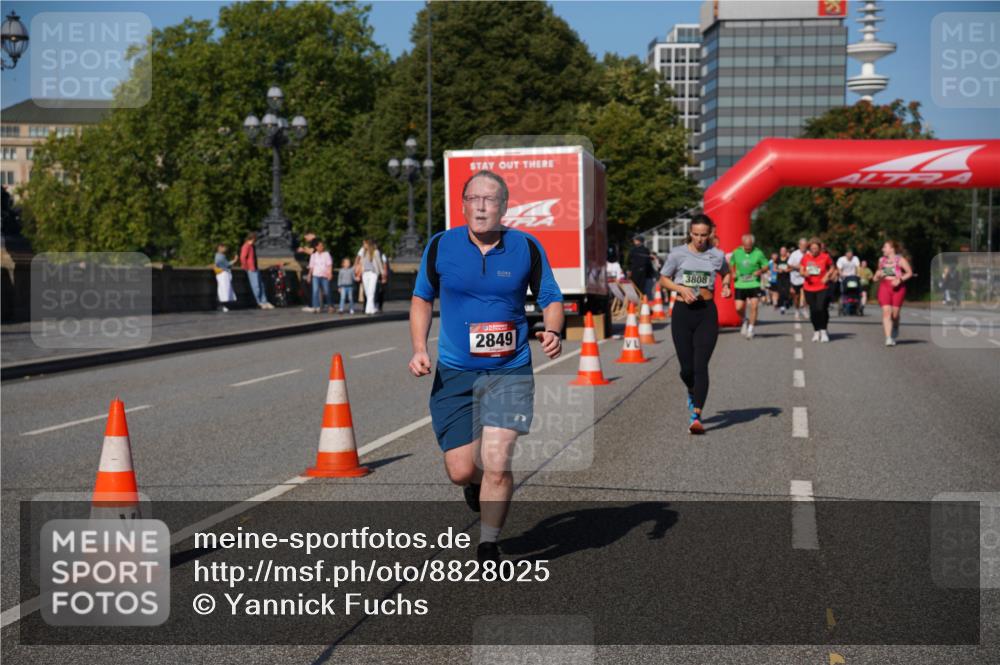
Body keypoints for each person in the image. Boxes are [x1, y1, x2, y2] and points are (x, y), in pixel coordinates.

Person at [409, 170, 563, 563]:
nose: (481, 205)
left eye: (490, 199)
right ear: (462, 205)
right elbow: (422, 299)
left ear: (504, 207)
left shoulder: (525, 247)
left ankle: (489, 543)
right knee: (462, 469)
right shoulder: (441, 245)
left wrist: (555, 330)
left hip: (509, 369)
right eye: (474, 198)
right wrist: (419, 347)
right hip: (456, 371)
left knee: (497, 461)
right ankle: (472, 486)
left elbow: (550, 297)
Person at [658, 214, 731, 434]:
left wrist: (726, 286)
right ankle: (691, 390)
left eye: (704, 235)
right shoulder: (678, 254)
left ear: (710, 234)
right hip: (682, 313)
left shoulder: (716, 255)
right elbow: (663, 278)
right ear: (690, 233)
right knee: (686, 369)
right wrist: (680, 289)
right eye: (696, 234)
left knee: (701, 366)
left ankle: (696, 415)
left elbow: (726, 273)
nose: (700, 239)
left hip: (706, 313)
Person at [873, 240, 913, 346]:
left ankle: (895, 326)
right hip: (885, 287)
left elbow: (909, 273)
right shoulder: (881, 260)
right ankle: (888, 338)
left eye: (885, 247)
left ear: (892, 249)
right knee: (886, 312)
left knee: (895, 315)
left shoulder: (900, 260)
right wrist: (877, 276)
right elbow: (878, 275)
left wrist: (899, 280)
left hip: (898, 289)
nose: (882, 249)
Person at [729, 233, 769, 340]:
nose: (747, 249)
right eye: (745, 247)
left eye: (749, 247)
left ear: (752, 244)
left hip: (754, 283)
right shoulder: (736, 252)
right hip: (740, 283)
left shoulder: (758, 253)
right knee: (738, 307)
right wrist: (733, 272)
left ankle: (751, 329)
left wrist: (760, 271)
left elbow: (766, 266)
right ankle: (744, 320)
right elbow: (731, 262)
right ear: (742, 244)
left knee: (754, 306)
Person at [798, 238, 836, 342]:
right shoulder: (805, 258)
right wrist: (804, 273)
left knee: (821, 308)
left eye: (816, 248)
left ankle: (823, 331)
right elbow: (801, 270)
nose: (814, 250)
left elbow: (832, 267)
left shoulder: (825, 257)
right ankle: (816, 331)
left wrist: (827, 275)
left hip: (822, 287)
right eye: (812, 248)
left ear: (819, 248)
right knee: (813, 310)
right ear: (809, 248)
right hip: (809, 287)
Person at [240, 232, 274, 310]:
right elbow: (242, 257)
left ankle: (264, 301)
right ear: (253, 238)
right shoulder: (246, 246)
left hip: (255, 268)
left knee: (260, 285)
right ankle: (259, 302)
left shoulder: (251, 246)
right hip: (251, 269)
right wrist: (246, 267)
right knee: (256, 286)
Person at [356, 238, 386, 315]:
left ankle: (368, 309)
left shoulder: (376, 252)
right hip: (365, 273)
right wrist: (359, 272)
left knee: (371, 291)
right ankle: (371, 308)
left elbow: (379, 263)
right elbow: (360, 262)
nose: (363, 245)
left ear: (368, 244)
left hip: (373, 273)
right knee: (367, 292)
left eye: (364, 244)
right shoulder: (363, 252)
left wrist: (382, 273)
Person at [303, 240, 333, 313]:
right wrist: (309, 275)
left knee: (327, 291)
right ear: (316, 247)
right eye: (319, 246)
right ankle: (316, 306)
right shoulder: (313, 255)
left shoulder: (326, 254)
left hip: (324, 275)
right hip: (316, 275)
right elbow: (311, 266)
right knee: (315, 291)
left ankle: (330, 306)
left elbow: (329, 265)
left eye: (322, 246)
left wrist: (330, 273)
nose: (321, 247)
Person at [627, 234, 655, 298]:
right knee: (639, 288)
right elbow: (648, 262)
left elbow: (629, 261)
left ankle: (638, 302)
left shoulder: (635, 250)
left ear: (639, 241)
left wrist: (629, 270)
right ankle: (640, 301)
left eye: (635, 240)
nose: (634, 241)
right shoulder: (644, 250)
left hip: (638, 272)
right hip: (640, 272)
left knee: (637, 288)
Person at [787, 237, 808, 321]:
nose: (803, 247)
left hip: (805, 278)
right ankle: (797, 309)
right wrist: (797, 266)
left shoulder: (809, 253)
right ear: (799, 246)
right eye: (802, 245)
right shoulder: (794, 254)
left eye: (805, 245)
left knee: (805, 293)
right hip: (795, 278)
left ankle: (804, 309)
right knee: (796, 297)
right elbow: (789, 265)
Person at [214, 243, 237, 312]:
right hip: (223, 274)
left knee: (224, 289)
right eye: (224, 247)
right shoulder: (220, 256)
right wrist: (234, 260)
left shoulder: (219, 255)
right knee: (224, 289)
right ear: (220, 248)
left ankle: (223, 305)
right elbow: (227, 264)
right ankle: (222, 305)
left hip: (222, 274)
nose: (226, 249)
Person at [775, 246, 793, 314]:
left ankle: (787, 301)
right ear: (780, 252)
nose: (783, 252)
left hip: (787, 278)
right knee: (780, 292)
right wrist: (778, 270)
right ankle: (782, 306)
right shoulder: (777, 259)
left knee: (786, 292)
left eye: (784, 251)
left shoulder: (789, 259)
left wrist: (787, 270)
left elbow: (791, 268)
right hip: (779, 278)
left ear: (786, 252)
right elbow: (774, 268)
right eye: (781, 251)